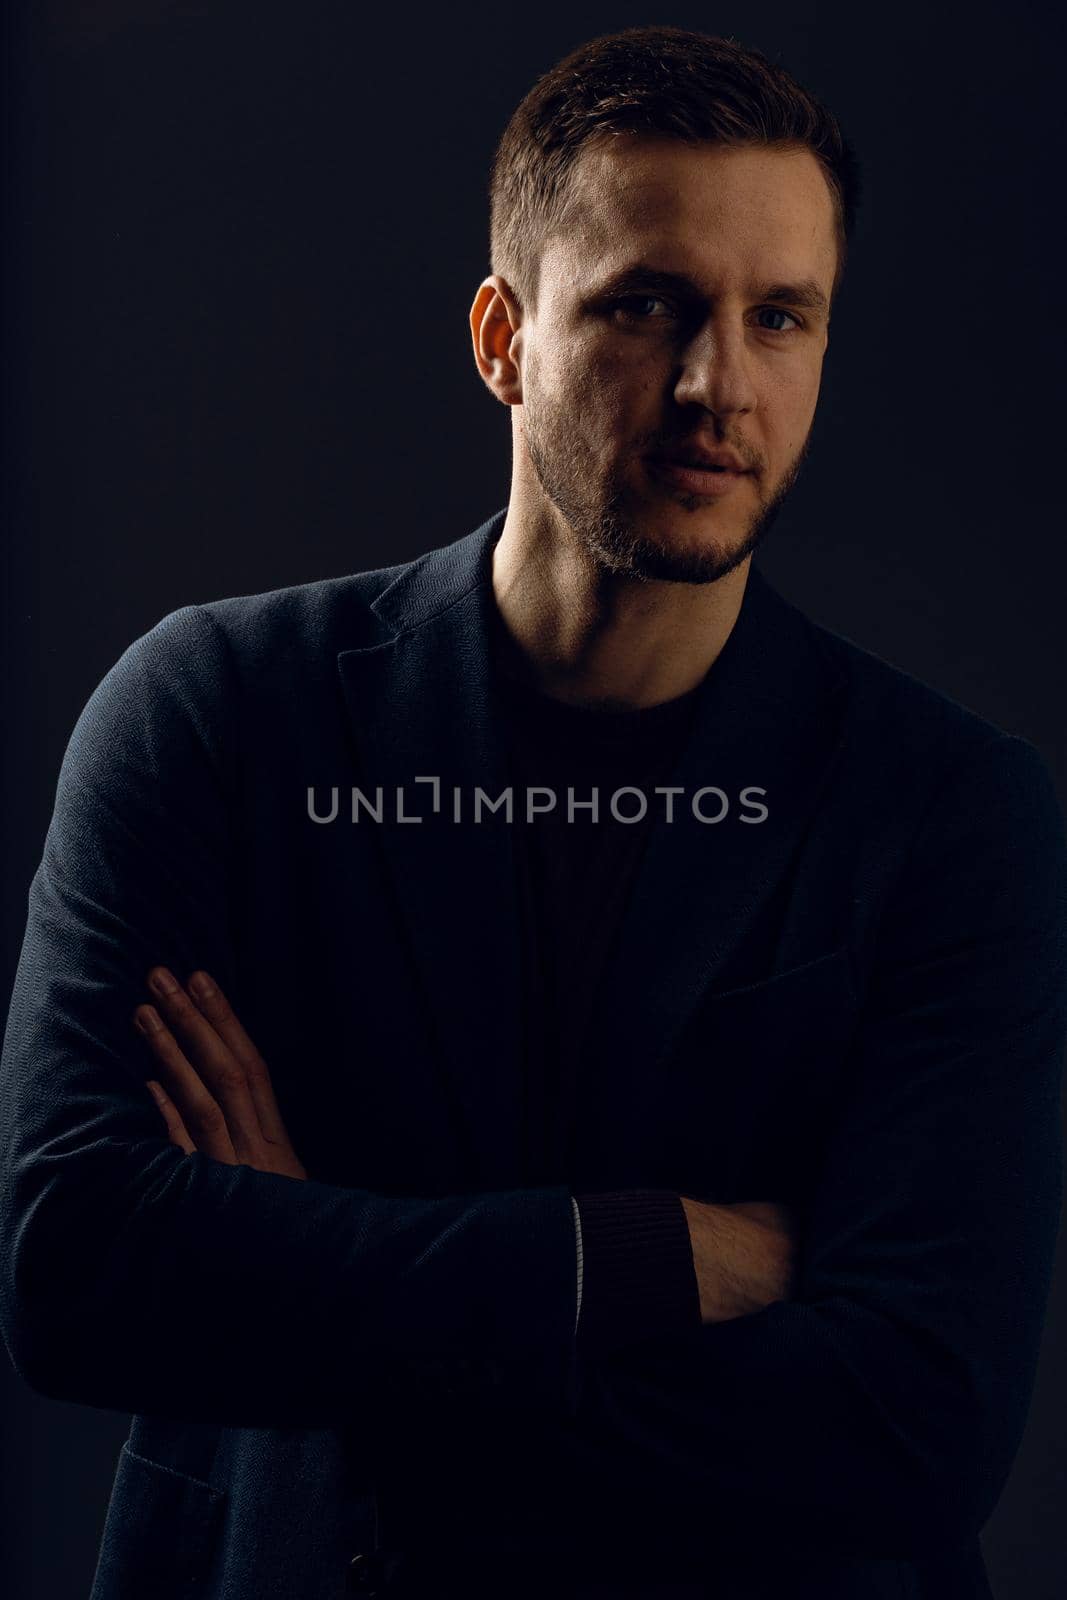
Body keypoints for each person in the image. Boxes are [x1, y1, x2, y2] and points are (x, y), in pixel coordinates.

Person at [2, 25, 1065, 1600]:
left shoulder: (954, 812)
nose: (720, 383)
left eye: (780, 317)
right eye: (648, 304)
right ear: (504, 339)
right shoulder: (216, 714)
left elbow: (913, 1427)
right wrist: (634, 1256)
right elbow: (80, 1269)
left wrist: (314, 1285)